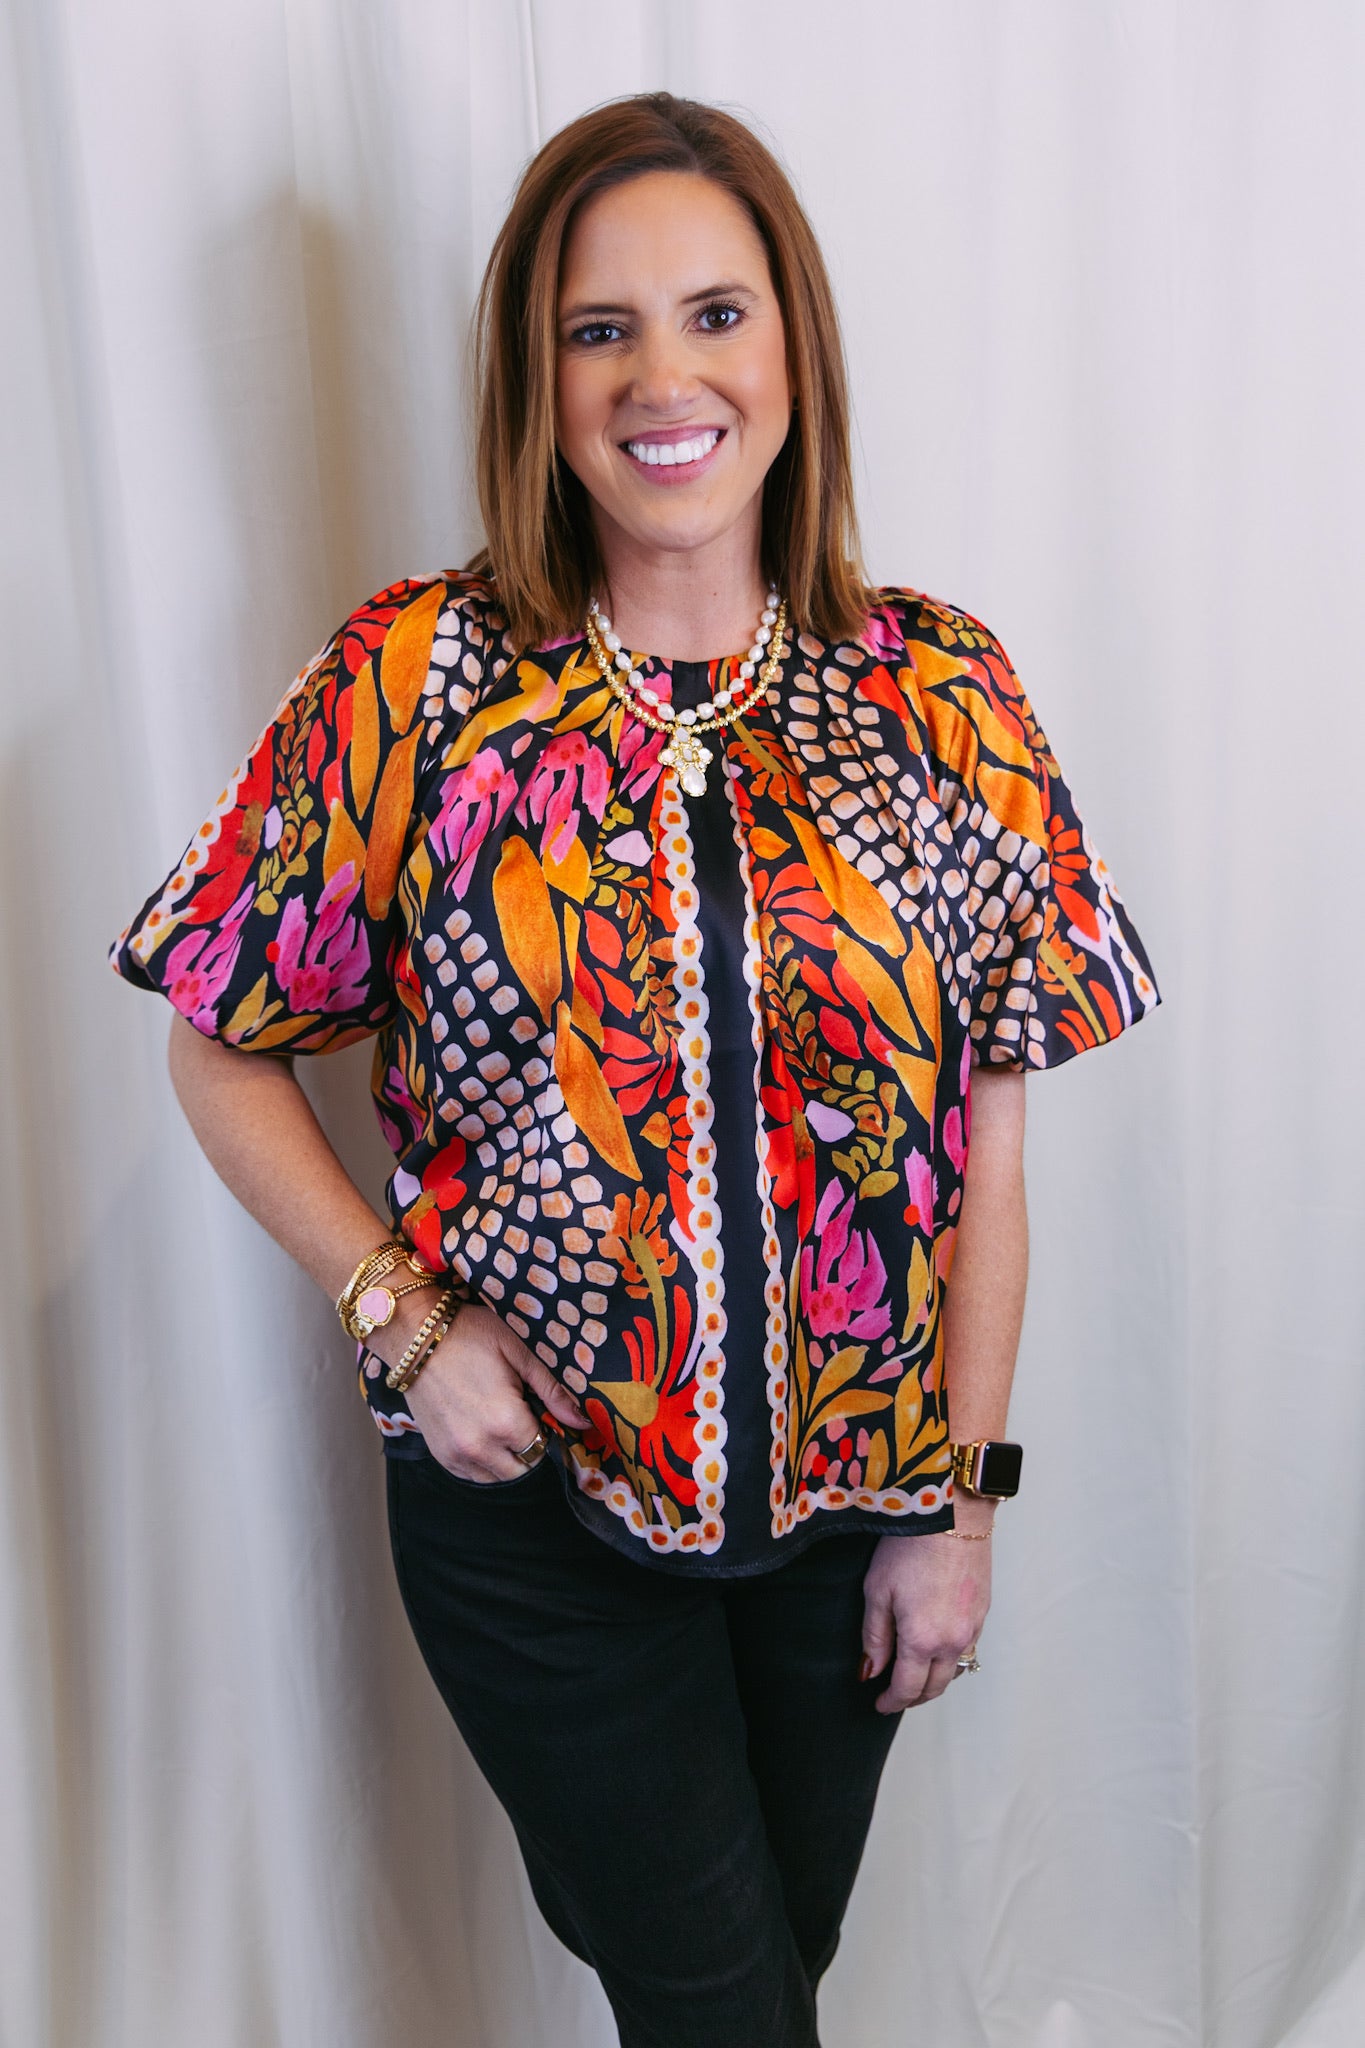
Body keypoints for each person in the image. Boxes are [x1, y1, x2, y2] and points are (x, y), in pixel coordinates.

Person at [110, 92, 1159, 2048]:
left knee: (762, 1981)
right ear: (537, 373)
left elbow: (984, 1166)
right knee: (722, 2009)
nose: (661, 375)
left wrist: (961, 1507)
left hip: (851, 1510)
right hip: (537, 1527)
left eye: (711, 314)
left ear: (790, 351)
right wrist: (402, 1317)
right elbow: (216, 1038)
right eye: (599, 329)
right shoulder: (419, 686)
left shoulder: (934, 699)